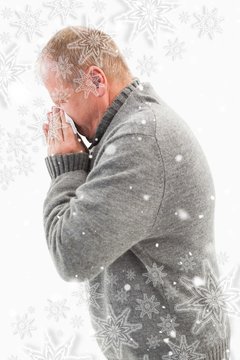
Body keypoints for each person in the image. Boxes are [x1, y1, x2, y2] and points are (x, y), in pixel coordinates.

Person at [39, 26, 231, 360]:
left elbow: (71, 254)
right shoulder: (131, 127)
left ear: (96, 82)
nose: (60, 118)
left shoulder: (140, 140)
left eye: (61, 101)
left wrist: (66, 169)